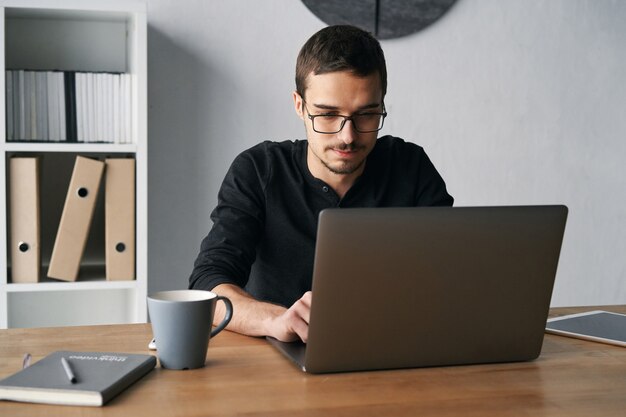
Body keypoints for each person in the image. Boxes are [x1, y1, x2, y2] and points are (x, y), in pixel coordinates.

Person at [189, 25, 453, 343]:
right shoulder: (258, 170)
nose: (348, 136)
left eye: (366, 114)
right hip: (276, 358)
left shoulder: (411, 167)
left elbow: (448, 277)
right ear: (300, 106)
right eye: (327, 114)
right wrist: (275, 320)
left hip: (388, 350)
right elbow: (207, 285)